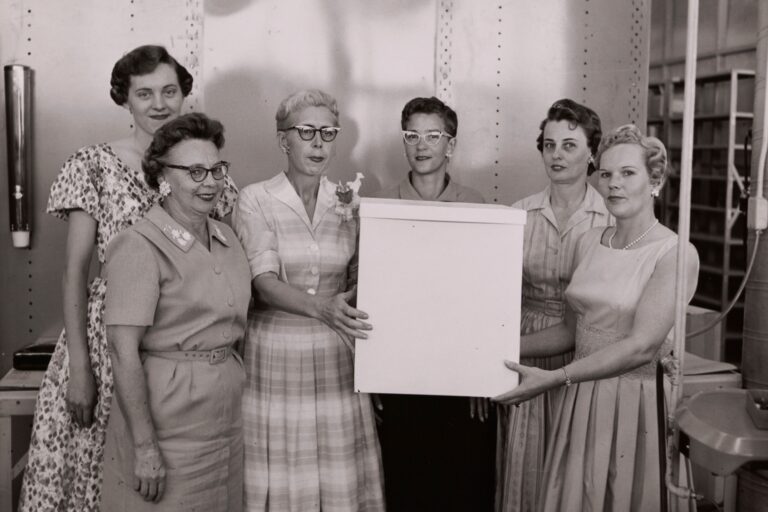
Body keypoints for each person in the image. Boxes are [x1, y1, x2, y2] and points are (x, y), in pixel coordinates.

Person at [19, 45, 237, 512]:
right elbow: (75, 273)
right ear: (125, 99)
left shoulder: (207, 172)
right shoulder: (94, 165)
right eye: (144, 93)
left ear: (184, 95)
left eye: (169, 91)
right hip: (105, 342)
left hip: (174, 350)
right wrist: (81, 366)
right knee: (90, 470)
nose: (159, 104)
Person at [495, 124, 699, 511]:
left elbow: (641, 347)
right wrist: (500, 348)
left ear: (655, 180)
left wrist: (555, 378)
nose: (613, 185)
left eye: (627, 173)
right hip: (581, 397)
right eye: (605, 174)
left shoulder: (675, 252)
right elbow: (572, 332)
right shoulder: (590, 240)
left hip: (634, 405)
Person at [233, 89, 385, 512]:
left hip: (337, 356)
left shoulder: (351, 202)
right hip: (274, 356)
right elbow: (262, 282)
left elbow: (362, 280)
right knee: (282, 473)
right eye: (306, 132)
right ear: (284, 140)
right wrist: (325, 309)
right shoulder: (255, 199)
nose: (319, 143)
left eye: (328, 133)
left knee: (338, 479)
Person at [100, 112, 249, 511]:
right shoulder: (139, 245)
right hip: (168, 423)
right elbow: (121, 349)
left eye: (217, 170)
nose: (211, 182)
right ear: (162, 177)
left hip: (225, 420)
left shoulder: (227, 237)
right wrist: (145, 447)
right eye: (195, 172)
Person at [374, 96, 494, 512]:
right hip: (401, 380)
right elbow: (373, 297)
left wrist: (481, 377)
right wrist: (375, 375)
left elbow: (485, 298)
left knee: (463, 487)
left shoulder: (477, 206)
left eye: (433, 135)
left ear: (451, 145)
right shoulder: (380, 207)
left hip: (461, 382)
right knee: (406, 487)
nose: (421, 145)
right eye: (412, 135)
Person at [496, 98, 611, 512]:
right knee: (526, 463)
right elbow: (496, 297)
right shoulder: (518, 215)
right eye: (549, 145)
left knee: (577, 467)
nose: (556, 155)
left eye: (569, 145)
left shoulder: (609, 220)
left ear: (591, 153)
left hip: (585, 354)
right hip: (523, 344)